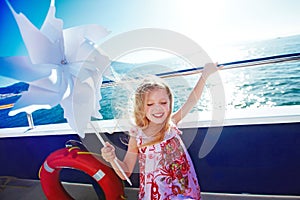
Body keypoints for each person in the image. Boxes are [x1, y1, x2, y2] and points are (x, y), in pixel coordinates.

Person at [101, 63, 221, 200]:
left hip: (183, 189)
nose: (157, 108)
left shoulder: (172, 123)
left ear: (170, 103)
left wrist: (205, 75)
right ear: (141, 107)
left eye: (163, 102)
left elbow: (192, 100)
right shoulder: (137, 136)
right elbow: (125, 172)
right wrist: (112, 159)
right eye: (150, 104)